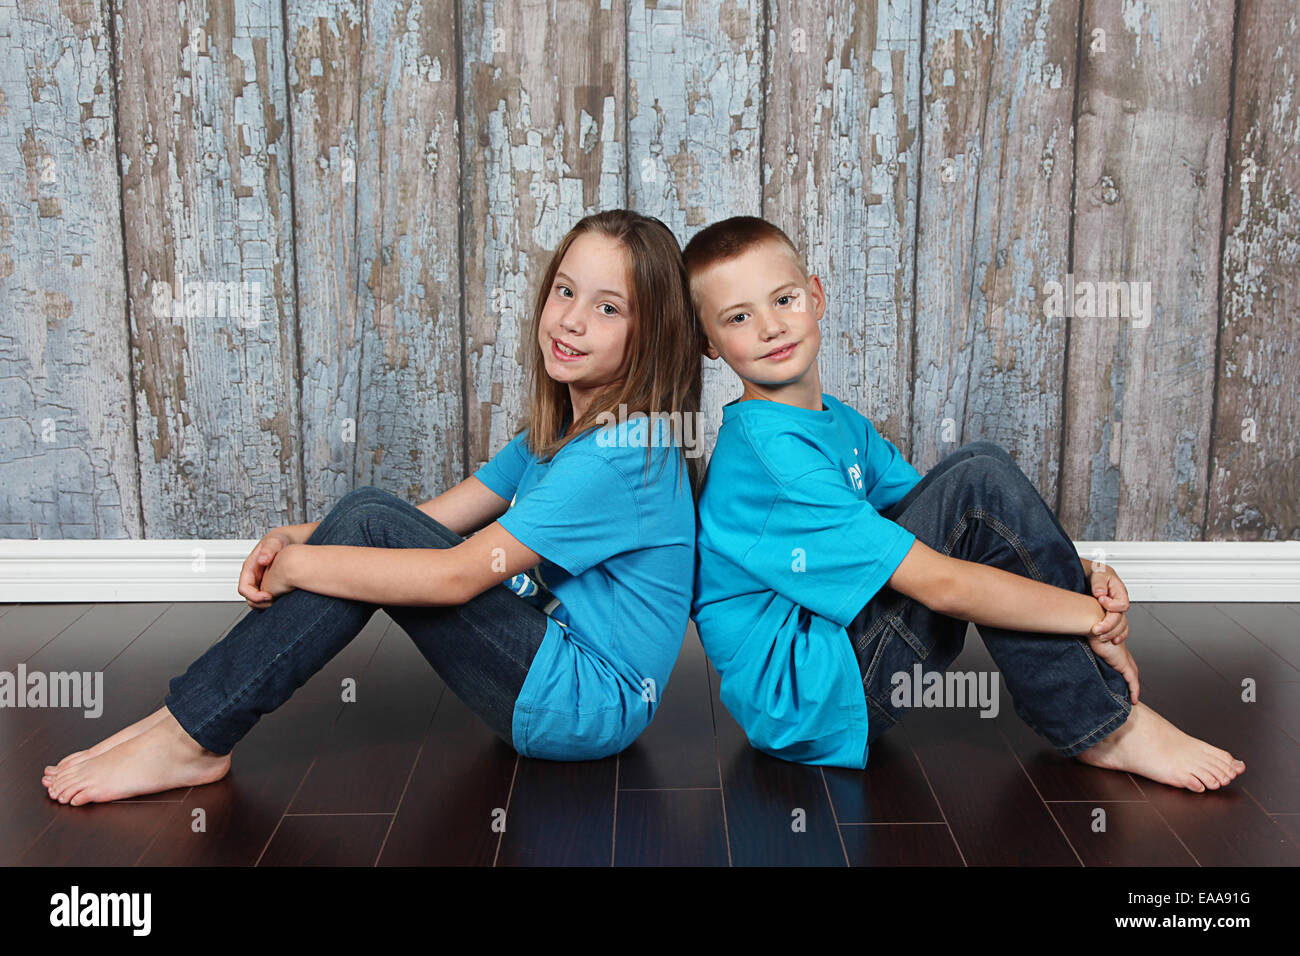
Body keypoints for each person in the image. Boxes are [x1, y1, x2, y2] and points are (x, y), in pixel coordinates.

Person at [43, 209, 703, 806]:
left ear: (653, 334)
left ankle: (194, 733)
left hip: (585, 706)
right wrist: (292, 538)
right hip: (545, 674)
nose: (571, 319)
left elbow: (453, 573)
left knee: (370, 520)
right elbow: (434, 522)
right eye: (565, 290)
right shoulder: (561, 432)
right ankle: (184, 721)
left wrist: (303, 567)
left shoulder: (620, 455)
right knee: (369, 513)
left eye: (609, 308)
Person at [684, 215, 1244, 792]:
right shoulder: (770, 455)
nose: (771, 327)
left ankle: (1093, 711)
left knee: (981, 466)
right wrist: (1091, 619)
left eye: (784, 299)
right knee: (978, 483)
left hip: (838, 658)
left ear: (817, 295)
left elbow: (975, 528)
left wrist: (1087, 574)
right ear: (709, 342)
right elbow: (944, 583)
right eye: (739, 317)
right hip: (813, 697)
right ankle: (1105, 728)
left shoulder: (835, 421)